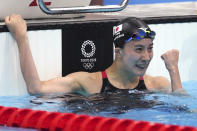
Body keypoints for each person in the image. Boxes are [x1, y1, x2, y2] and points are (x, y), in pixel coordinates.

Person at [5, 14, 185, 96]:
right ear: (118, 51)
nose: (146, 57)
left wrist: (173, 69)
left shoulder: (156, 83)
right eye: (138, 49)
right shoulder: (90, 83)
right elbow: (36, 89)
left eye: (150, 48)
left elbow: (183, 110)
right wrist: (21, 37)